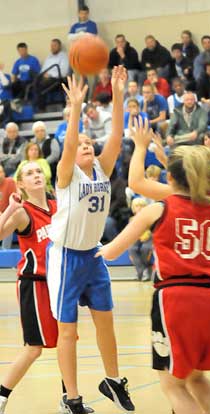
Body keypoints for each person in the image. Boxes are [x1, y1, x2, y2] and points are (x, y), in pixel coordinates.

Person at [96, 121, 210, 414]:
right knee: (198, 379)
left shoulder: (160, 208)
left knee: (174, 385)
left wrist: (141, 146)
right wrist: (166, 157)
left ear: (171, 177)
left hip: (178, 299)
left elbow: (112, 249)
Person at [47, 67, 135, 414]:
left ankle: (112, 381)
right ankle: (72, 399)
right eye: (81, 144)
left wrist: (117, 92)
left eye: (88, 144)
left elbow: (116, 132)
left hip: (93, 256)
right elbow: (69, 142)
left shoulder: (102, 168)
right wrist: (75, 111)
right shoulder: (66, 175)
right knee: (68, 333)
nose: (85, 146)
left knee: (106, 322)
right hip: (67, 257)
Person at [0, 162, 94, 414]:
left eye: (38, 171)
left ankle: (70, 399)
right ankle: (1, 396)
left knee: (67, 341)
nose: (36, 175)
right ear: (20, 183)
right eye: (29, 173)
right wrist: (9, 208)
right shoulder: (23, 212)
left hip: (61, 282)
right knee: (34, 348)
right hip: (35, 284)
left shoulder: (58, 206)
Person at [128, 197, 153, 281]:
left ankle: (144, 271)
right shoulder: (131, 219)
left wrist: (146, 235)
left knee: (145, 248)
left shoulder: (149, 217)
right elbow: (131, 231)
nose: (139, 208)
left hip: (148, 238)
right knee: (132, 248)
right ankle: (141, 270)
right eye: (137, 206)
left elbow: (150, 230)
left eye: (141, 206)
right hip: (136, 238)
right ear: (133, 208)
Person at [0, 163, 17, 249]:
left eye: (2, 172)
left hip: (9, 213)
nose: (1, 174)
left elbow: (14, 202)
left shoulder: (10, 182)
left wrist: (4, 214)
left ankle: (5, 249)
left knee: (9, 220)